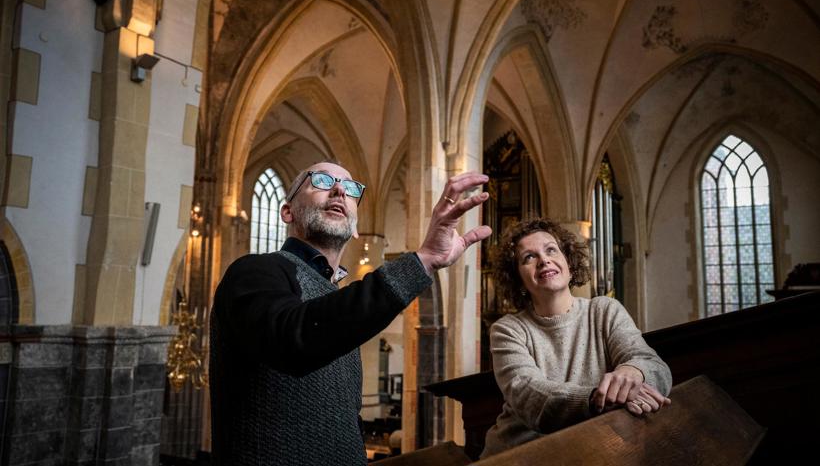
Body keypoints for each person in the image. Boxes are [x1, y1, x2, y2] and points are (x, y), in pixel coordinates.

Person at [209, 160, 491, 466]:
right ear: (287, 211)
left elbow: (345, 420)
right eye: (320, 180)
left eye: (351, 187)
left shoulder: (337, 299)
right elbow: (294, 339)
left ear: (355, 227)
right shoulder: (256, 270)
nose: (340, 190)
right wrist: (422, 261)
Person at [481, 218, 672, 458]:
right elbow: (530, 397)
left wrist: (634, 373)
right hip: (520, 454)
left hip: (590, 447)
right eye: (529, 257)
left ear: (569, 262)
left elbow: (655, 367)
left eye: (551, 250)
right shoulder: (508, 329)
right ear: (518, 279)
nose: (544, 260)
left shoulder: (605, 310)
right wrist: (599, 399)